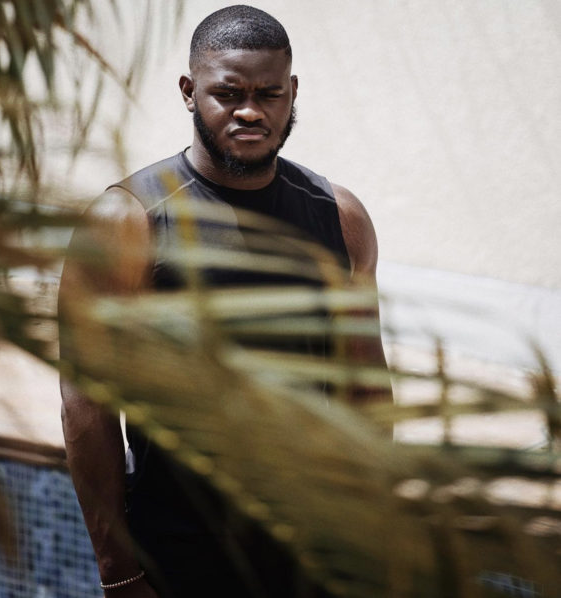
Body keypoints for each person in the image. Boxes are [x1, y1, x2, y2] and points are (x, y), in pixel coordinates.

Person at [59, 5, 391, 597]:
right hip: (181, 556)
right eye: (229, 93)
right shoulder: (128, 221)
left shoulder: (339, 217)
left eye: (269, 94)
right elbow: (86, 406)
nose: (250, 111)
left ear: (293, 92)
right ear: (190, 91)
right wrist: (119, 571)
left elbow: (365, 388)